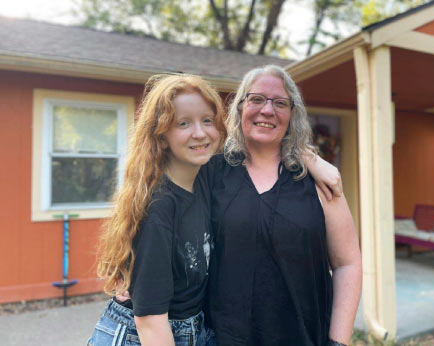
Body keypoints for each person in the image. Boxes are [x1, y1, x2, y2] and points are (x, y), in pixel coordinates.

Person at [205, 65, 362, 346]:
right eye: (256, 99)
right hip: (224, 337)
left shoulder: (318, 181)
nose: (267, 110)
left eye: (280, 103)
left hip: (305, 336)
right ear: (240, 107)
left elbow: (347, 263)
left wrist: (338, 342)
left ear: (292, 115)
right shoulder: (213, 173)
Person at [88, 74, 226, 346]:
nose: (200, 132)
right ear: (161, 136)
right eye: (183, 123)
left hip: (185, 327)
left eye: (207, 120)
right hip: (143, 334)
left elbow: (250, 153)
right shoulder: (159, 208)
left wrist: (310, 160)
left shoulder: (203, 178)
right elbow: (150, 321)